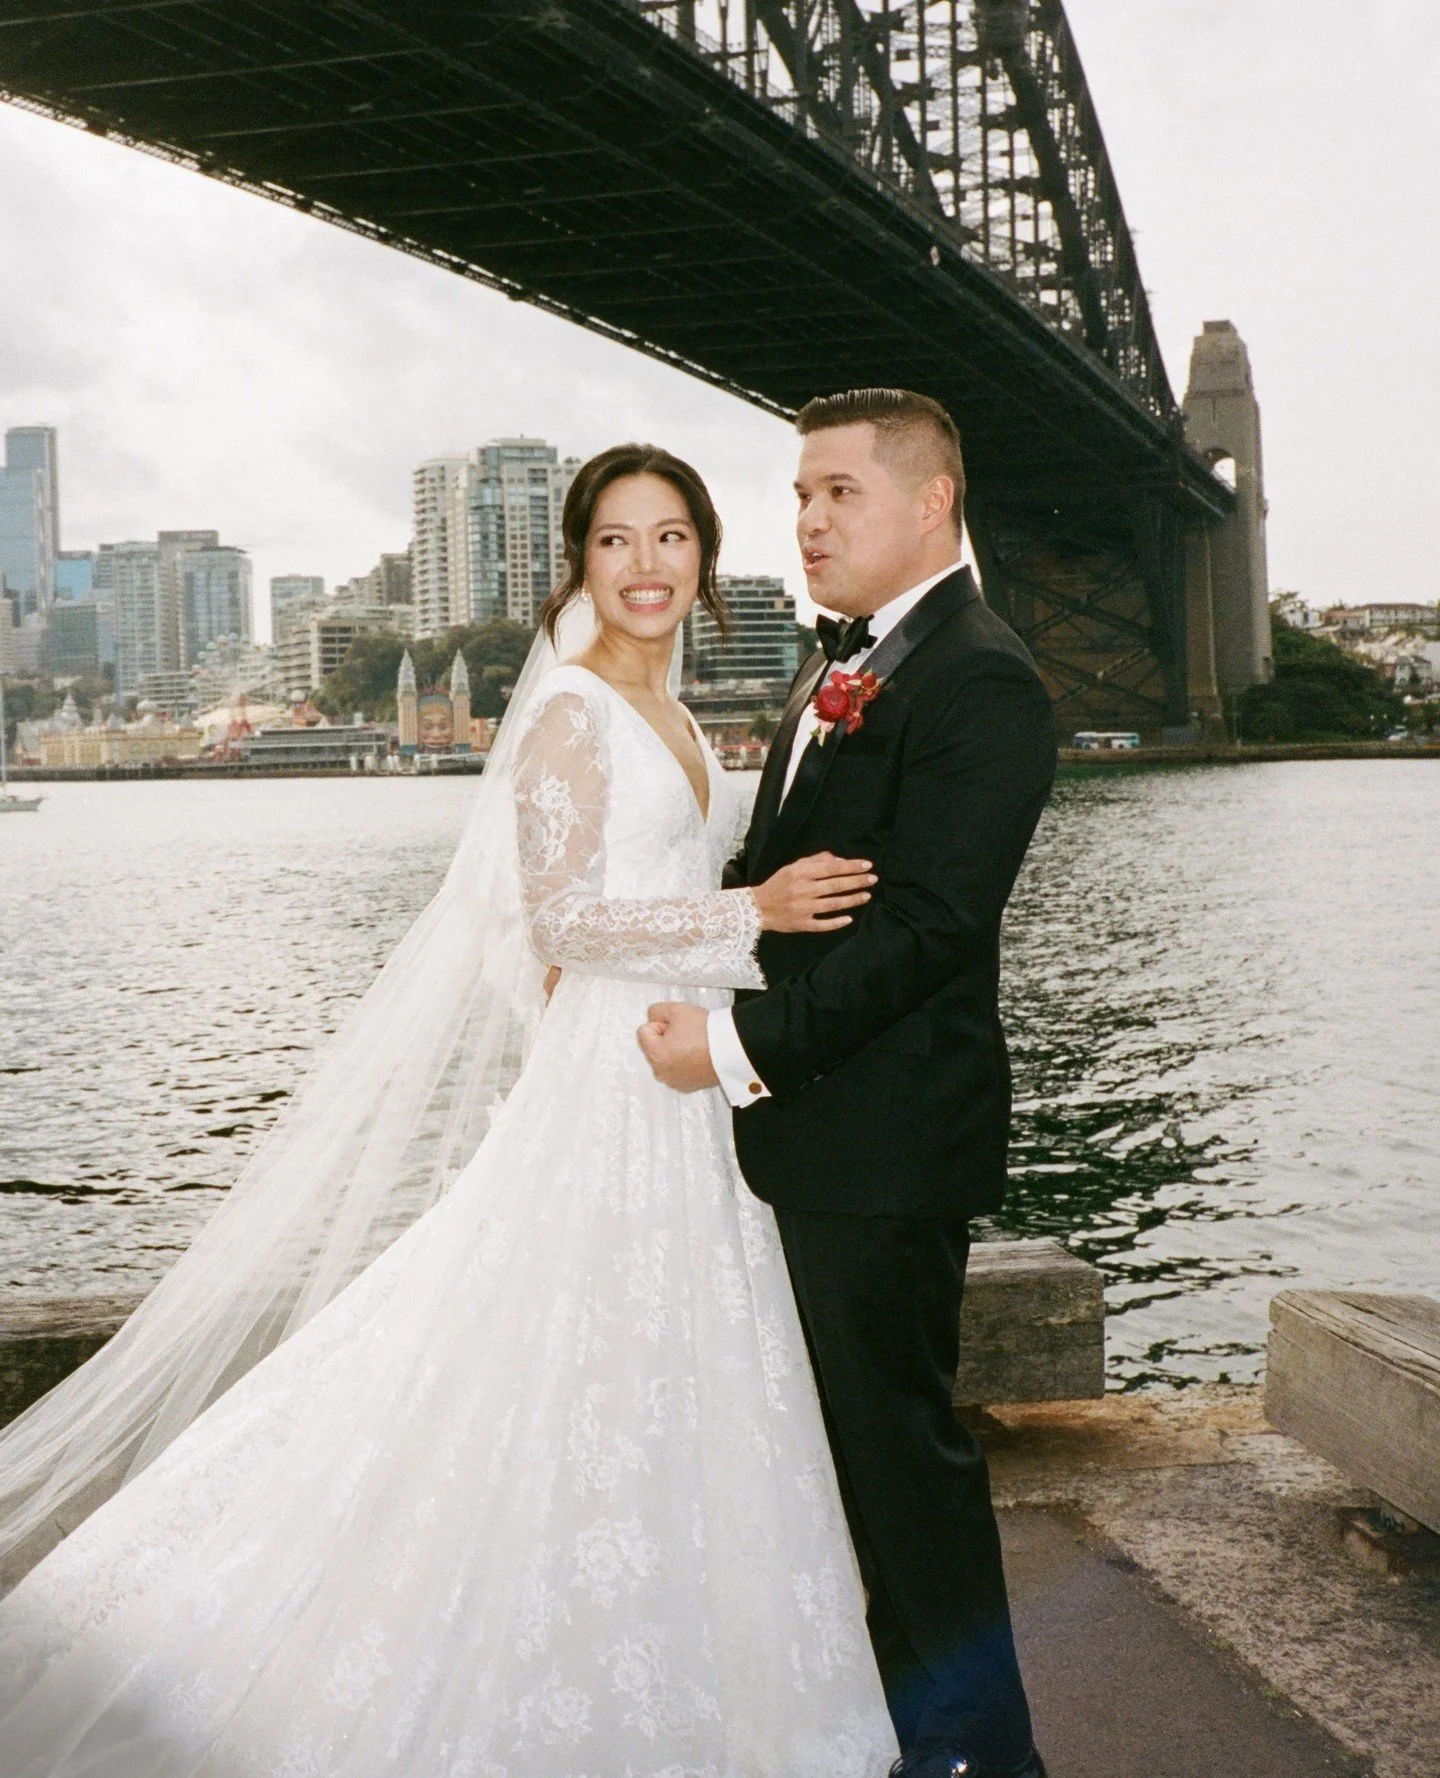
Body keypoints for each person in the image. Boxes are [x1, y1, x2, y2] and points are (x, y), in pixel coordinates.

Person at [0, 445, 900, 1776]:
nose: (646, 567)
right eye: (615, 542)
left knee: (665, 1369)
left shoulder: (688, 718)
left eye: (670, 539)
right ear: (581, 564)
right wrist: (748, 913)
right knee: (538, 1353)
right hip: (613, 1073)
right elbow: (560, 917)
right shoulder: (573, 713)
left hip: (689, 1071)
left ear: (704, 557)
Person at [640, 389, 1057, 1778]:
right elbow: (785, 888)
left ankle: (980, 1759)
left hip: (884, 1143)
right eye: (801, 494)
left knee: (903, 1474)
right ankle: (909, 1735)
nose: (808, 519)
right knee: (855, 1471)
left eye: (839, 493)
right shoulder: (851, 663)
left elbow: (934, 931)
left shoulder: (979, 676)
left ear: (931, 503)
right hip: (823, 1142)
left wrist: (737, 1052)